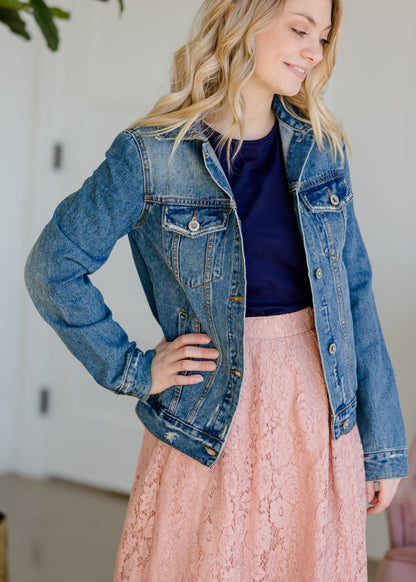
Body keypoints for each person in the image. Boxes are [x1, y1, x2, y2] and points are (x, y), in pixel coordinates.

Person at [24, 0, 409, 580]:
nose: (314, 52)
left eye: (324, 37)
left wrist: (383, 445)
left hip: (316, 411)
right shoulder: (150, 155)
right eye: (300, 30)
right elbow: (52, 267)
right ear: (239, 18)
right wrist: (133, 369)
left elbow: (355, 293)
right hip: (207, 423)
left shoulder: (321, 148)